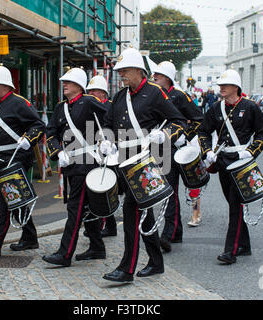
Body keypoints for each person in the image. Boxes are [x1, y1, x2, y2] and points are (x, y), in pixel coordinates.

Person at [101, 48, 187, 282]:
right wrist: (107, 142)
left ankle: (126, 269)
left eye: (126, 70)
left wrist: (165, 135)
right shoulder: (119, 96)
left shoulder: (155, 93)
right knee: (143, 213)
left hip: (146, 163)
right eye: (120, 71)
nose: (122, 75)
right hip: (124, 163)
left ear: (139, 71)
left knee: (131, 212)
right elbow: (108, 124)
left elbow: (180, 121)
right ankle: (156, 262)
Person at [0, 65, 46, 256]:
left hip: (16, 157)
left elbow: (38, 125)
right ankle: (30, 237)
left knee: (7, 199)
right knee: (16, 199)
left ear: (5, 86)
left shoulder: (19, 103)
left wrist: (28, 140)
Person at [197, 69, 263, 264]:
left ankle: (231, 250)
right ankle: (244, 245)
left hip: (241, 162)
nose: (221, 88)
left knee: (236, 206)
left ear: (235, 87)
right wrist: (207, 152)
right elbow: (203, 131)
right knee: (232, 203)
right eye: (220, 85)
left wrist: (251, 152)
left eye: (225, 85)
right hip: (222, 161)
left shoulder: (250, 107)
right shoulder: (215, 108)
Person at [43, 67, 108, 267]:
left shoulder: (89, 101)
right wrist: (57, 152)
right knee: (88, 207)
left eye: (68, 82)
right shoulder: (60, 107)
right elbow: (51, 132)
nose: (64, 84)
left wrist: (108, 140)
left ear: (79, 85)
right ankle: (97, 247)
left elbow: (111, 117)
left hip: (87, 162)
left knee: (75, 208)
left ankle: (65, 254)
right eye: (63, 82)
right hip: (70, 164)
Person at [152, 61, 203, 253]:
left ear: (168, 77)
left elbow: (199, 120)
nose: (154, 77)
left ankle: (168, 234)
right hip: (159, 147)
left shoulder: (179, 96)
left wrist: (185, 136)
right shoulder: (153, 94)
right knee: (167, 190)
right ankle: (177, 232)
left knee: (169, 191)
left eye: (159, 74)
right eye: (154, 74)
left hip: (174, 148)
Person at [85, 75, 117, 238]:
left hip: (111, 153)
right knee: (98, 190)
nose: (91, 93)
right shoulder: (88, 106)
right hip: (94, 153)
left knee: (108, 189)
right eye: (89, 91)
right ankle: (104, 225)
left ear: (103, 93)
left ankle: (106, 225)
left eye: (94, 90)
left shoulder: (111, 107)